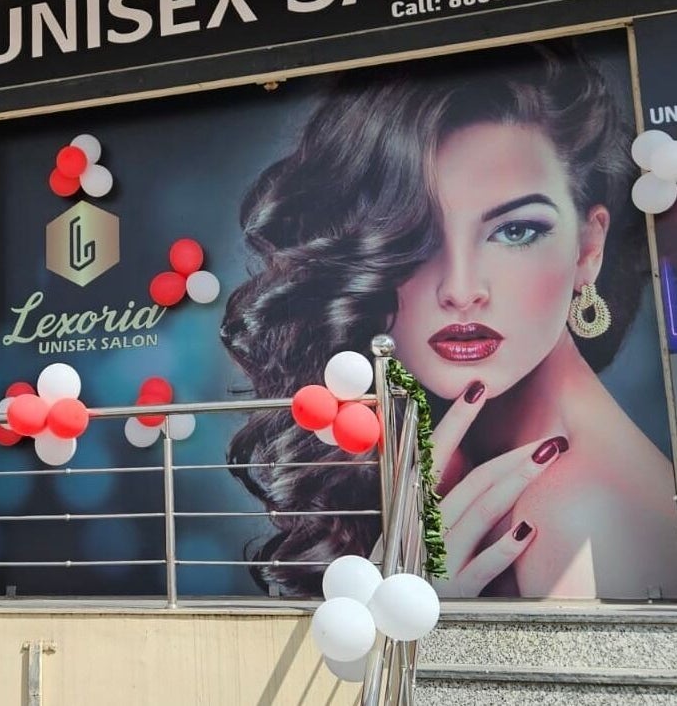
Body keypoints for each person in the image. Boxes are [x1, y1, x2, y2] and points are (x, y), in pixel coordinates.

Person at [221, 40, 677, 599]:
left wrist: (432, 628)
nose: (461, 291)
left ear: (588, 248)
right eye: (416, 237)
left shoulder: (582, 511)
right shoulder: (472, 460)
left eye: (515, 231)